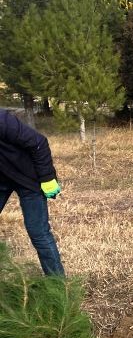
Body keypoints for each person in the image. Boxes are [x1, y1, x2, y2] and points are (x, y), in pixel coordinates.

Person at [0, 109, 65, 276]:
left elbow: (39, 142)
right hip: (2, 179)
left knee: (38, 233)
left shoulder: (3, 120)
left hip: (28, 178)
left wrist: (47, 178)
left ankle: (58, 286)